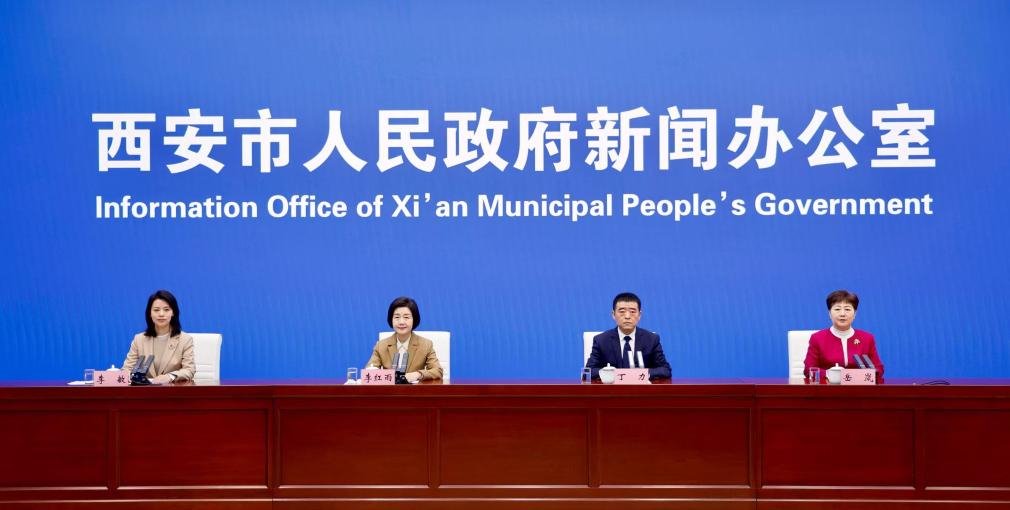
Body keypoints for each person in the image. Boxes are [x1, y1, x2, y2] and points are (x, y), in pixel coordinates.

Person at [586, 292, 671, 379]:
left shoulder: (651, 339)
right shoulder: (601, 340)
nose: (627, 316)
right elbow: (588, 371)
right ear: (613, 314)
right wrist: (611, 373)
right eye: (622, 311)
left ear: (639, 315)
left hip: (641, 387)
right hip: (613, 387)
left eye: (632, 312)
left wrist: (641, 374)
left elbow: (665, 370)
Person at [803, 290, 884, 377]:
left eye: (847, 309)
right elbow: (809, 370)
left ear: (855, 314)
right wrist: (831, 374)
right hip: (828, 384)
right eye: (837, 309)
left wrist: (852, 375)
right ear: (829, 313)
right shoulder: (817, 338)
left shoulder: (867, 338)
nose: (842, 314)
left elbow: (878, 369)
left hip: (858, 385)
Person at [122, 290, 195, 384]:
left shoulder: (185, 339)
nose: (161, 314)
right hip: (145, 391)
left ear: (173, 313)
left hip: (173, 390)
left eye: (166, 310)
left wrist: (170, 376)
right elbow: (127, 369)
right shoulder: (139, 339)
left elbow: (189, 370)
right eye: (156, 310)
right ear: (150, 313)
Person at [366, 296, 443, 382]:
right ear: (391, 319)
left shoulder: (426, 345)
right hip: (390, 390)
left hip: (414, 390)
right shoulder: (381, 346)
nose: (401, 322)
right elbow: (369, 371)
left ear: (414, 319)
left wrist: (418, 374)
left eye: (406, 317)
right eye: (397, 317)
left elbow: (438, 371)